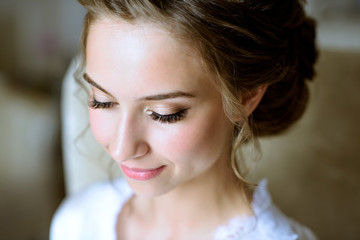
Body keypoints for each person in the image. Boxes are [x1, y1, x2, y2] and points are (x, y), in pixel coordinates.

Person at [51, 0, 318, 239]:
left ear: (245, 96)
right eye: (102, 101)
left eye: (164, 114)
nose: (122, 149)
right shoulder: (79, 221)